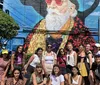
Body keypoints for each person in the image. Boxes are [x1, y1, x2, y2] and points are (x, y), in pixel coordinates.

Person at [24, 0, 96, 55]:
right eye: (49, 1)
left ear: (71, 8)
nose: (52, 6)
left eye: (58, 1)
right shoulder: (39, 26)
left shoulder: (81, 31)